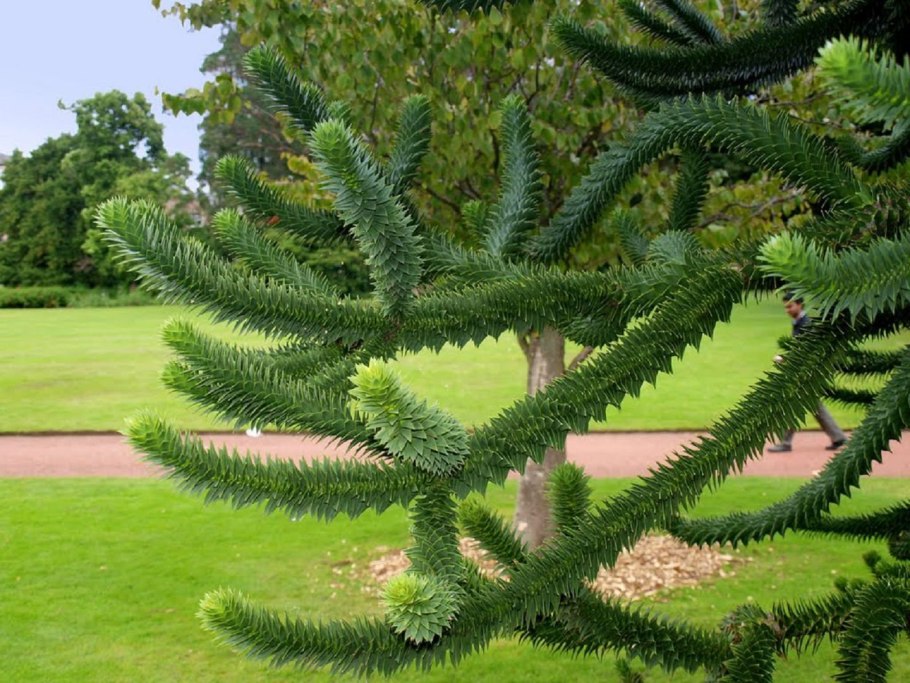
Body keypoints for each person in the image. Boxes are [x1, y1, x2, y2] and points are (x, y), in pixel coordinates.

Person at [766, 293, 848, 453]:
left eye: (790, 306)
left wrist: (784, 358)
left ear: (800, 305)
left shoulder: (805, 324)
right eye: (785, 307)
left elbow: (806, 351)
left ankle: (785, 443)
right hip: (806, 374)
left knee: (792, 407)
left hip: (805, 375)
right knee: (816, 408)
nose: (787, 310)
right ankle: (839, 438)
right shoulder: (799, 323)